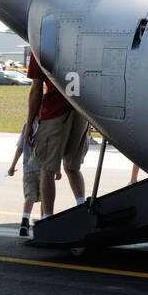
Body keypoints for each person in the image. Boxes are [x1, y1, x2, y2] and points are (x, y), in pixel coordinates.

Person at [26, 51, 90, 218]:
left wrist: (29, 124)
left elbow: (36, 89)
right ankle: (82, 206)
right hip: (81, 109)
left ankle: (47, 217)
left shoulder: (42, 43)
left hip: (55, 111)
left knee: (47, 168)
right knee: (72, 167)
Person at [8, 118, 42, 236]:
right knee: (45, 197)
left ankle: (25, 221)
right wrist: (57, 169)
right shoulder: (47, 126)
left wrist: (12, 166)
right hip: (44, 169)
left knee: (30, 196)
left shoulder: (27, 126)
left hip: (28, 168)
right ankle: (44, 221)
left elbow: (20, 147)